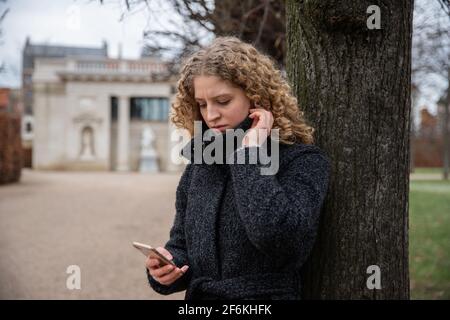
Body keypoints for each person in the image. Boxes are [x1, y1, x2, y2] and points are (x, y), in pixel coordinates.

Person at [145, 36, 330, 300]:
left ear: (256, 97)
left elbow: (277, 238)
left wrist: (249, 153)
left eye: (222, 101)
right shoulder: (201, 162)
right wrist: (168, 266)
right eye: (202, 104)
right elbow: (182, 245)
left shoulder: (303, 161)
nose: (210, 115)